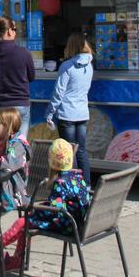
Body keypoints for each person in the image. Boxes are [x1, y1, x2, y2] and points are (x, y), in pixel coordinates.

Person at [0, 138, 91, 270]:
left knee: (21, 223)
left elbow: (53, 211)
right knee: (27, 221)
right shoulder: (78, 178)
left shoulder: (60, 184)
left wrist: (37, 210)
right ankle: (17, 259)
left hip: (64, 225)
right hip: (75, 223)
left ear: (52, 162)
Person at [46, 33, 94, 185]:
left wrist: (50, 112)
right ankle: (86, 185)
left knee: (68, 153)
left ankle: (71, 186)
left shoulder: (67, 66)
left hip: (67, 114)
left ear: (71, 46)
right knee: (81, 151)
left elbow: (58, 92)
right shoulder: (90, 66)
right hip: (82, 113)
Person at [0, 15, 35, 130]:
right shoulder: (24, 53)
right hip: (20, 105)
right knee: (18, 145)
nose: (15, 32)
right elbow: (31, 77)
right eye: (14, 29)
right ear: (9, 31)